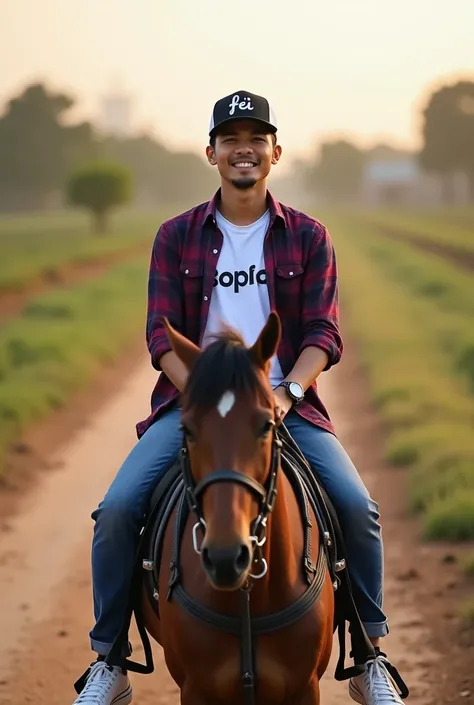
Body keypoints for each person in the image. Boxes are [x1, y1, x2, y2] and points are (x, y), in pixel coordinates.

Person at [72, 90, 407, 705]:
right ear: (212, 153)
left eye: (256, 139)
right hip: (193, 407)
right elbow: (159, 333)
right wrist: (197, 395)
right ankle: (109, 658)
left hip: (283, 405)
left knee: (358, 511)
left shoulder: (308, 236)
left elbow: (322, 334)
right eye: (231, 140)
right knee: (117, 511)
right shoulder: (175, 237)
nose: (243, 150)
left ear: (275, 152)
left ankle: (368, 654)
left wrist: (289, 391)